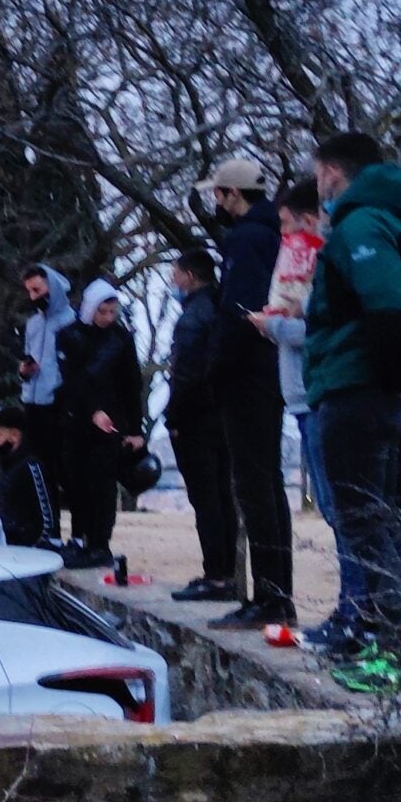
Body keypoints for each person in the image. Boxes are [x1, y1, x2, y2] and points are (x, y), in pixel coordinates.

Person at [306, 132, 401, 688]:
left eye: (318, 175)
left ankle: (398, 655)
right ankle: (397, 648)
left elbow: (390, 305)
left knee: (365, 523)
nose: (317, 187)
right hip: (377, 390)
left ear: (335, 172)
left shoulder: (362, 224)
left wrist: (387, 384)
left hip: (357, 390)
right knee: (380, 520)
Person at [253, 181, 357, 649]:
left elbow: (312, 331)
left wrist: (272, 325)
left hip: (315, 395)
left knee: (343, 512)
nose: (281, 236)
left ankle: (357, 615)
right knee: (340, 513)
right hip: (305, 396)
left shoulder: (321, 261)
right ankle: (352, 611)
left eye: (284, 224)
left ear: (308, 221)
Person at [197, 156, 297, 628]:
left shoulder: (247, 240)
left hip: (248, 376)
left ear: (231, 195)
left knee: (255, 486)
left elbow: (238, 312)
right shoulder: (271, 234)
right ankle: (277, 594)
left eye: (217, 194)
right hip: (267, 372)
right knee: (267, 483)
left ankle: (270, 598)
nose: (214, 203)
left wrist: (216, 370)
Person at [164, 249, 240, 604]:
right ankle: (224, 574)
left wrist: (174, 416)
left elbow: (187, 374)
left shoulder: (193, 318)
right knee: (222, 495)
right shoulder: (222, 309)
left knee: (207, 498)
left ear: (190, 275)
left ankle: (216, 575)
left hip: (196, 419)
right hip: (222, 415)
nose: (172, 282)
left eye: (175, 274)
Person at [56, 278, 144, 569]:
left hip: (110, 426)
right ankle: (80, 538)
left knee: (103, 486)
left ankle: (99, 543)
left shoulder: (121, 339)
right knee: (77, 484)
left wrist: (135, 429)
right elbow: (72, 379)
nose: (107, 318)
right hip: (77, 423)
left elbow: (133, 384)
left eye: (111, 312)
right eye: (102, 311)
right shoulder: (70, 336)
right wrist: (92, 409)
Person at [16, 265, 74, 530]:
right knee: (37, 470)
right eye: (29, 291)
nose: (33, 297)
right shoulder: (33, 324)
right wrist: (24, 371)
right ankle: (43, 528)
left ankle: (66, 530)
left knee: (59, 471)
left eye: (37, 290)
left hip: (59, 406)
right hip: (32, 403)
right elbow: (28, 357)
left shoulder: (71, 322)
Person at [0, 406, 57, 551]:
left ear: (14, 436)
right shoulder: (5, 465)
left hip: (27, 548)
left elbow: (46, 517)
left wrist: (34, 546)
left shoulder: (30, 466)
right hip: (8, 543)